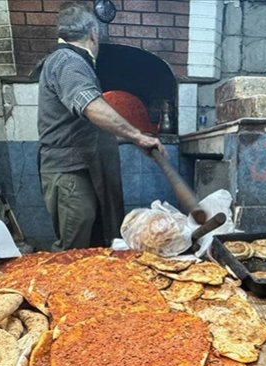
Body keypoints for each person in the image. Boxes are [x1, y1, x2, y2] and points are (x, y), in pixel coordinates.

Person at [36, 2, 164, 251]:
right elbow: (91, 106)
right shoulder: (68, 61)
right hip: (72, 175)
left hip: (81, 171)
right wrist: (138, 136)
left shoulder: (68, 61)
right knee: (74, 252)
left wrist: (129, 138)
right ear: (93, 34)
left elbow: (82, 128)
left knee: (93, 248)